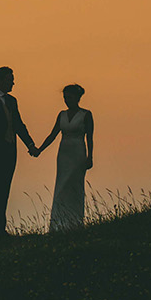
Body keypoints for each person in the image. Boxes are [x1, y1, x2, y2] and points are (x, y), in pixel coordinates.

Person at [0, 66, 36, 238]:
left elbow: (18, 124)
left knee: (4, 189)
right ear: (0, 80)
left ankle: (0, 228)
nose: (13, 83)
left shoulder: (12, 101)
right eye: (10, 79)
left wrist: (30, 144)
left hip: (10, 151)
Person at [33, 83, 94, 231]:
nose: (67, 100)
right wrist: (39, 149)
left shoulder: (86, 115)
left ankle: (74, 222)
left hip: (78, 153)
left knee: (74, 187)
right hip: (64, 154)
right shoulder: (62, 115)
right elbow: (53, 135)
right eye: (65, 98)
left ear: (77, 98)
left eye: (70, 97)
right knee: (61, 186)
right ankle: (59, 223)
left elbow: (90, 138)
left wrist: (90, 157)